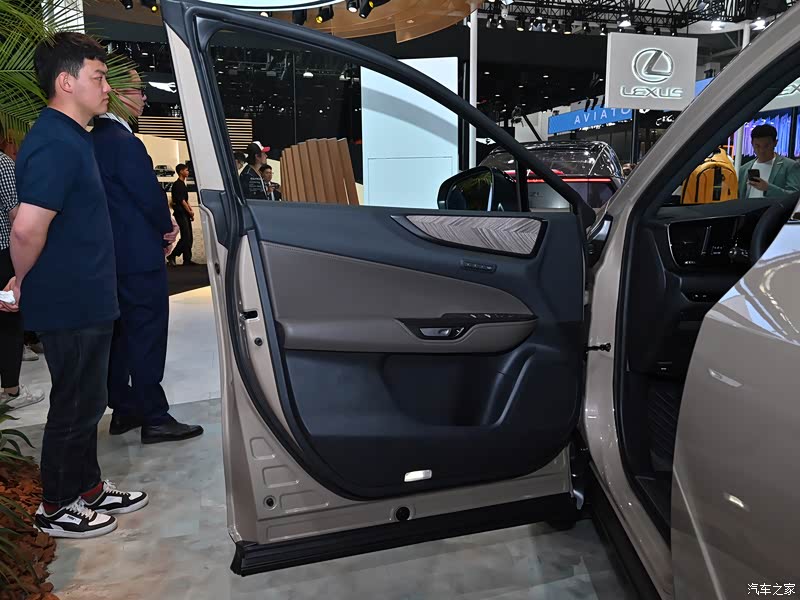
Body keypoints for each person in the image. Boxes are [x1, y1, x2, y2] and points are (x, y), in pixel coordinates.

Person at [0, 32, 148, 539]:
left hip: (86, 293)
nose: (107, 87)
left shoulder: (71, 136)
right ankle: (57, 504)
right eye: (99, 77)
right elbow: (26, 227)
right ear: (66, 82)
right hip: (70, 296)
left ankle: (87, 487)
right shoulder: (55, 141)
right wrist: (21, 279)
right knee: (75, 403)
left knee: (89, 399)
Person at [92, 70, 203, 445]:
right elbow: (148, 197)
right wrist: (166, 227)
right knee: (147, 335)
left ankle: (125, 408)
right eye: (139, 90)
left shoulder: (93, 140)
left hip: (111, 257)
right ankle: (154, 417)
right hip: (139, 258)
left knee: (121, 337)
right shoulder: (124, 141)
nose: (143, 97)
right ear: (119, 93)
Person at [0, 140, 44, 407]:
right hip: (2, 255)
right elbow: (16, 216)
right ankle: (11, 390)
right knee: (8, 321)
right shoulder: (2, 164)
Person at [738, 124, 800, 199]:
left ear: (775, 143)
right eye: (757, 146)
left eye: (766, 146)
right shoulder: (744, 169)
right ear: (752, 144)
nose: (762, 150)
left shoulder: (790, 166)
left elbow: (795, 196)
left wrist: (768, 188)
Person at [167, 163, 195, 267]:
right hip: (180, 213)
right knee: (186, 236)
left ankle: (187, 259)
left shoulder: (183, 184)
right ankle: (172, 255)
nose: (188, 172)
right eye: (186, 170)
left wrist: (191, 211)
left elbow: (186, 200)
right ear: (181, 171)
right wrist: (189, 211)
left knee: (189, 237)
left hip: (185, 213)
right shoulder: (177, 185)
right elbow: (182, 201)